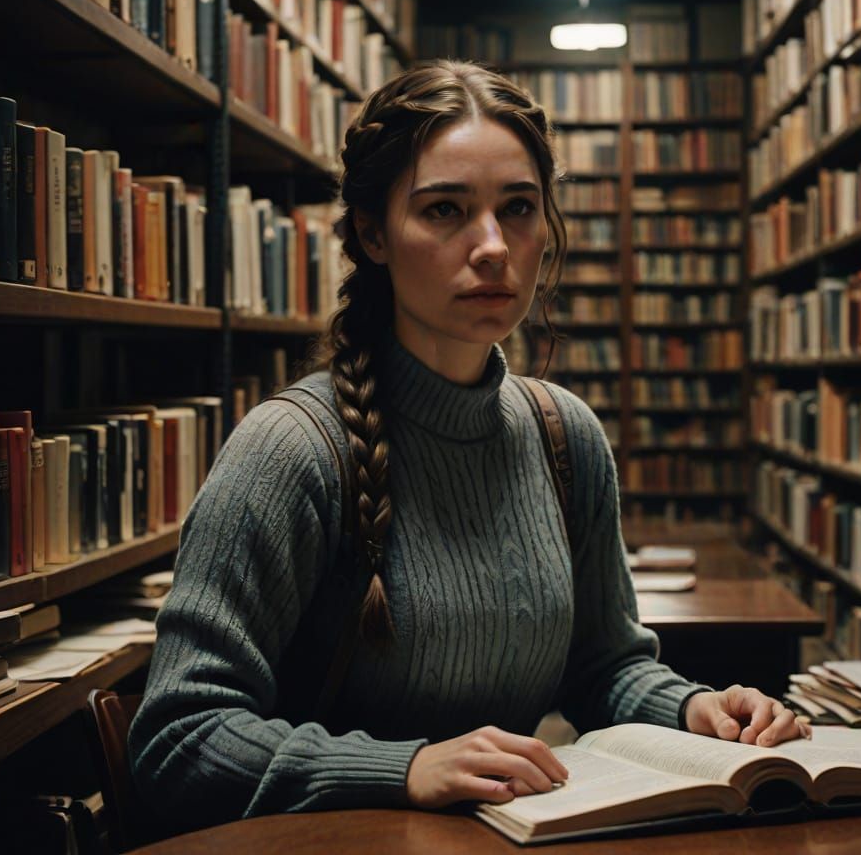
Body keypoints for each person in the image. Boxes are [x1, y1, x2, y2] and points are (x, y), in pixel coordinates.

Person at [128, 60, 808, 836]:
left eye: (518, 208)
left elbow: (602, 668)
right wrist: (404, 768)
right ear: (373, 234)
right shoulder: (291, 452)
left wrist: (695, 706)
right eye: (445, 209)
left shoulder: (565, 437)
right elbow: (176, 740)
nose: (492, 247)